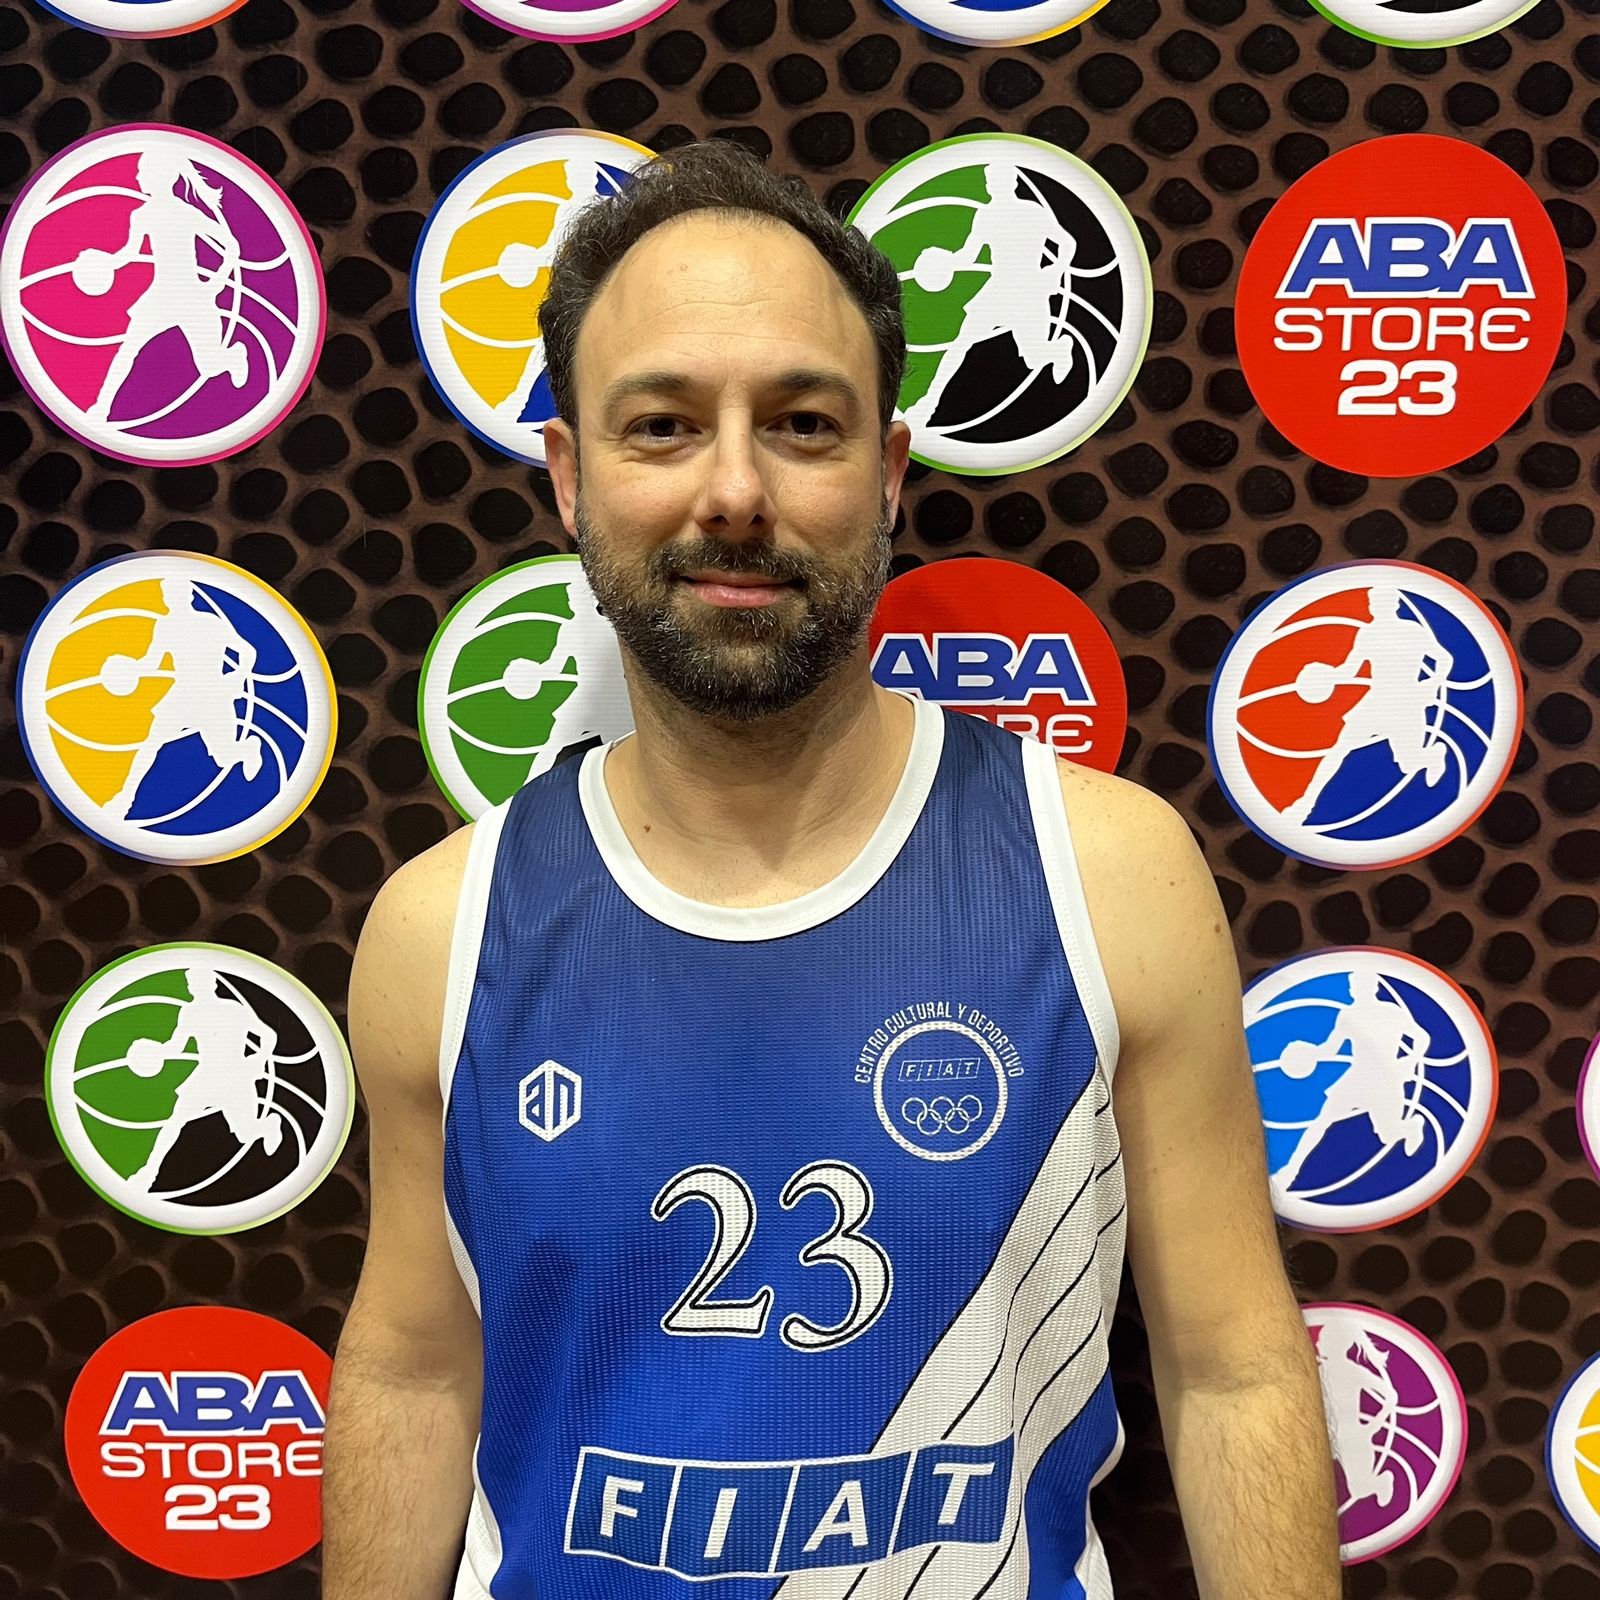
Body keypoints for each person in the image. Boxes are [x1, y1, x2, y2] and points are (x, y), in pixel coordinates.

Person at [322, 139, 1341, 1600]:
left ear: (889, 471)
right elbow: (418, 1369)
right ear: (569, 477)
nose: (735, 491)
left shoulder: (1108, 872)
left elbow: (1233, 1368)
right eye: (662, 426)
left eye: (802, 424)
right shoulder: (444, 927)